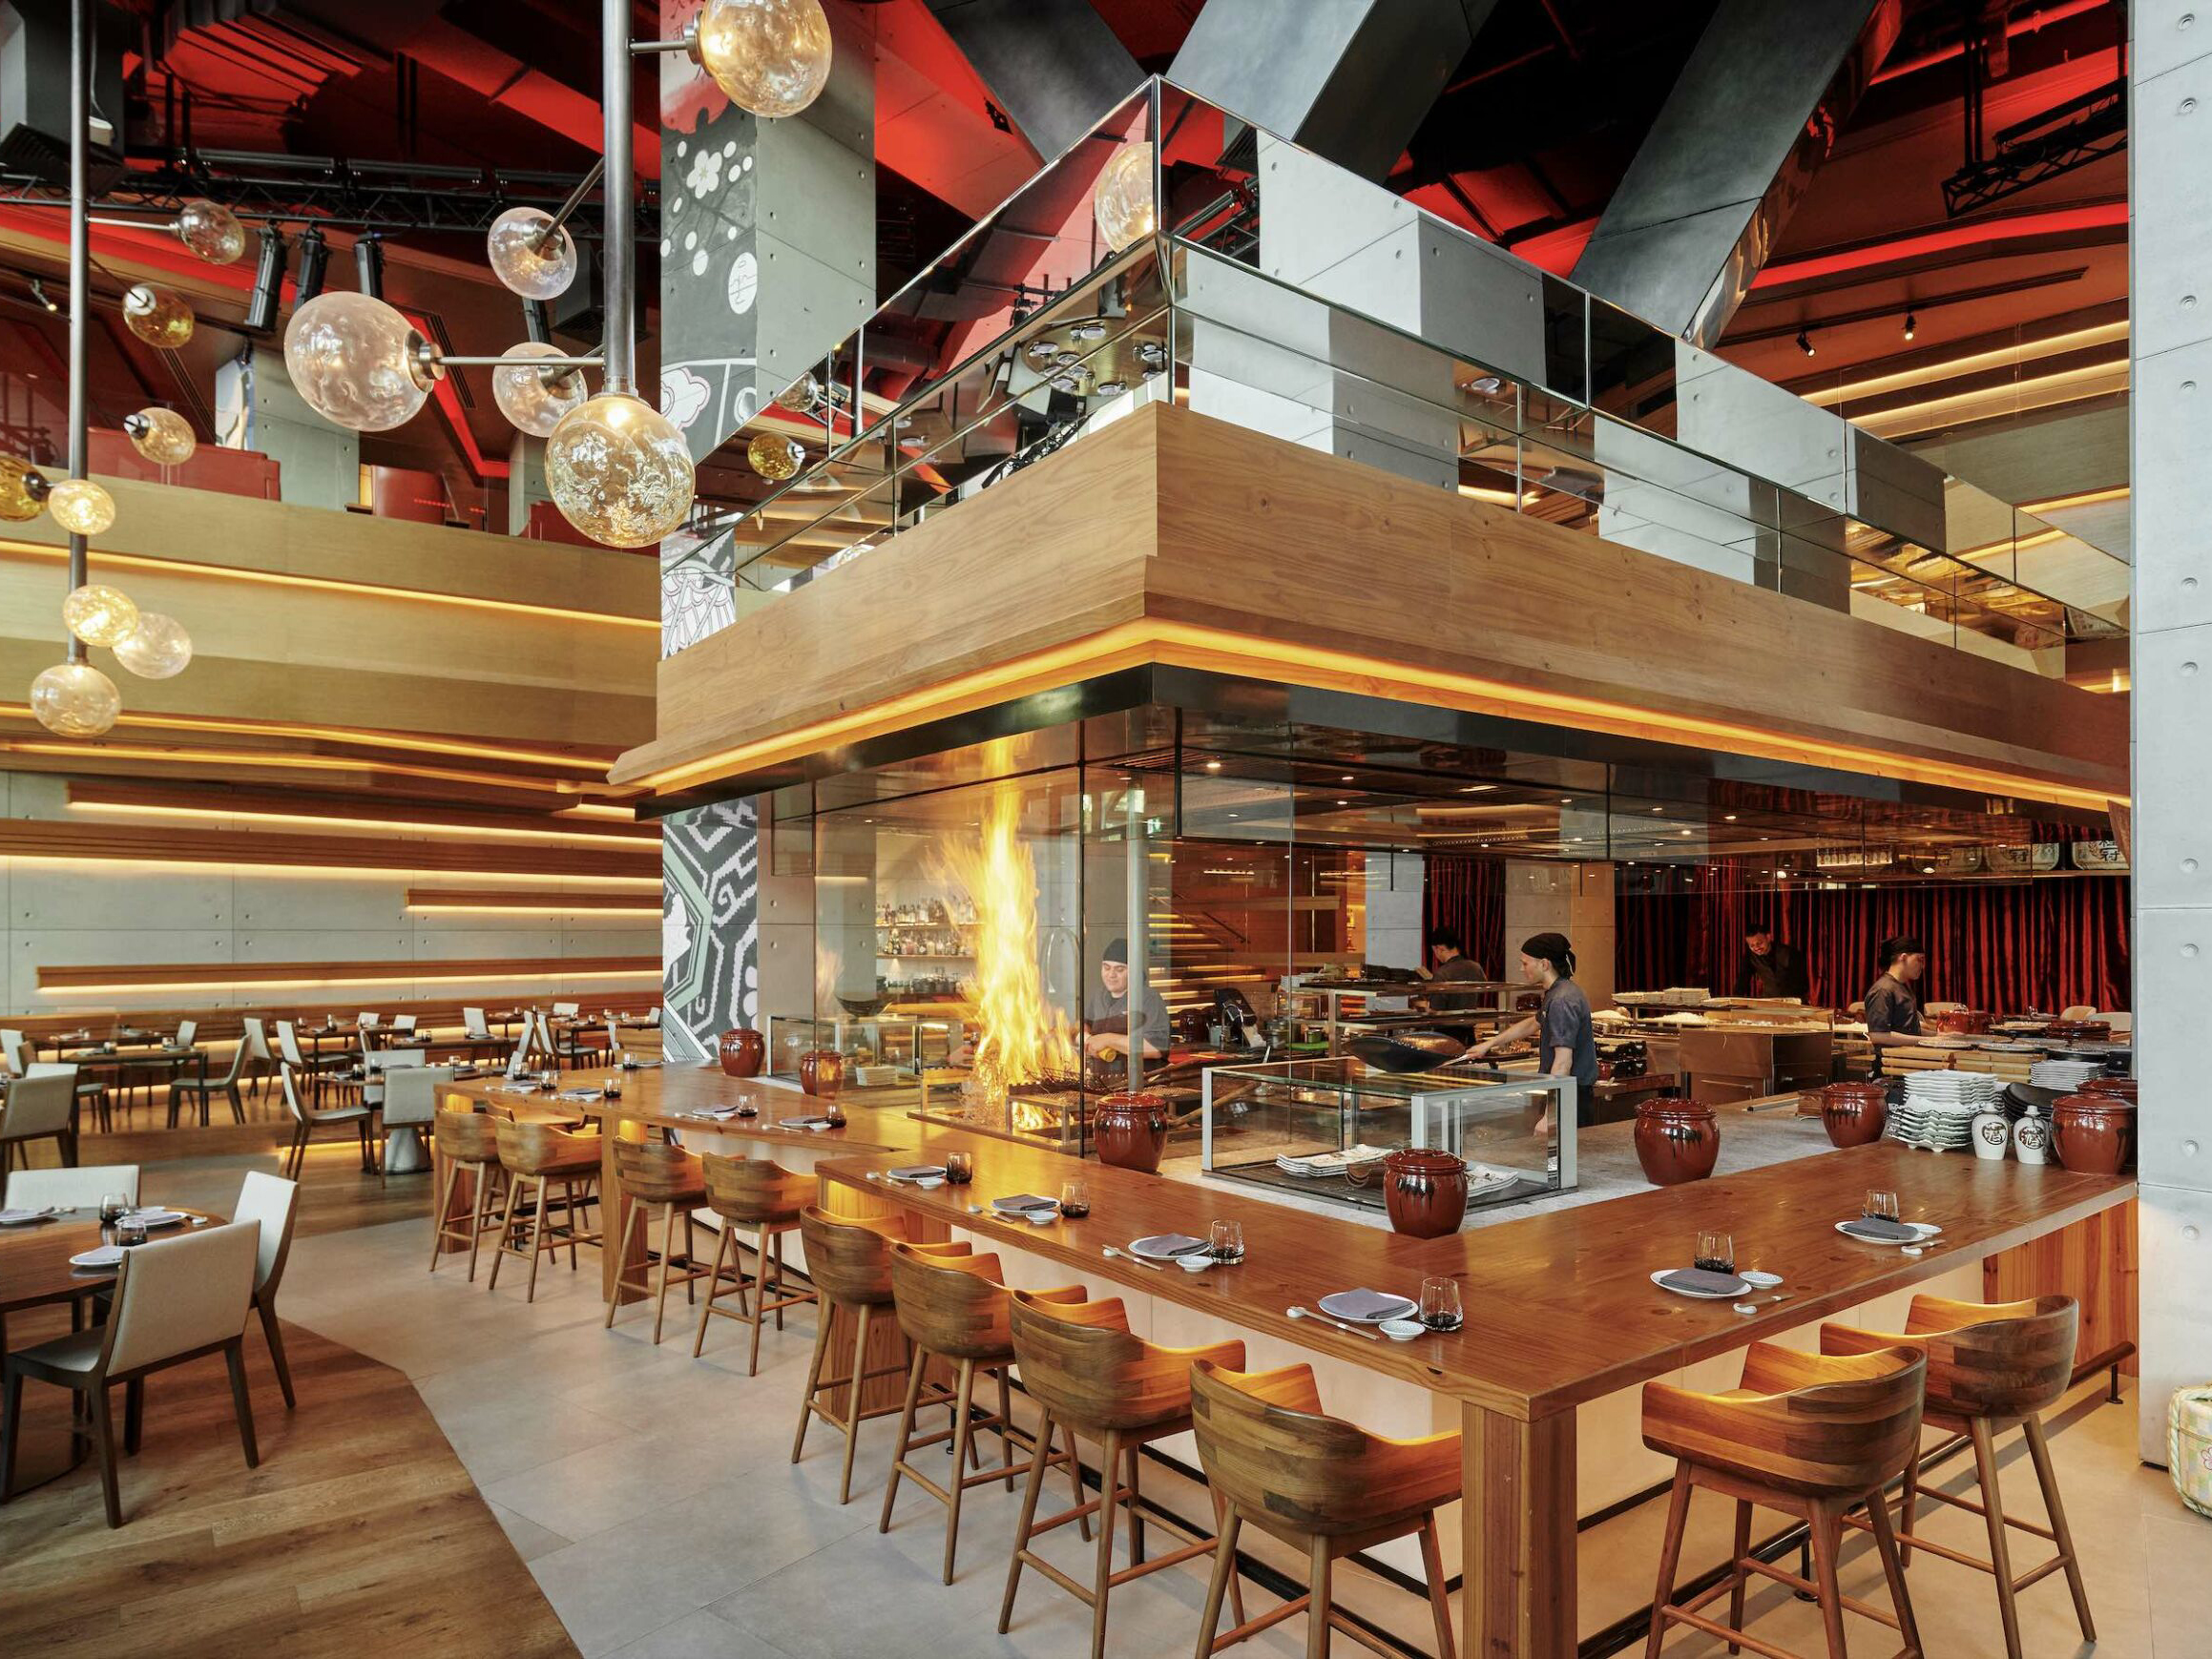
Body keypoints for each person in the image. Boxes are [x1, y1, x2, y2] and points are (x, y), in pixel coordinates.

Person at [1469, 932, 1596, 1133]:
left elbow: (1563, 1062)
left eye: (1525, 963)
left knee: (1568, 1152)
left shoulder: (1562, 1000)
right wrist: (1489, 1044)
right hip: (1566, 1092)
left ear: (1544, 964)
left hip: (1570, 1095)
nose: (1522, 969)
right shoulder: (1559, 991)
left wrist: (1550, 1115)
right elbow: (1533, 1023)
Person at [1083, 937, 1170, 1059]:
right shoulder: (1099, 995)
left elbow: (1156, 1048)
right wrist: (1086, 1038)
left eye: (1119, 970)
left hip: (1140, 1071)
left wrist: (1108, 1039)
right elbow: (1085, 1023)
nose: (1111, 975)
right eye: (1106, 968)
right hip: (1101, 1070)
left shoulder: (1149, 998)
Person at [1862, 936, 1927, 1073]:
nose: (1922, 966)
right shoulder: (1883, 989)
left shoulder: (1903, 987)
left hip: (1905, 1063)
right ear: (1903, 957)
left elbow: (1909, 1029)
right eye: (1919, 959)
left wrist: (1941, 1037)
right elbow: (1878, 1035)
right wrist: (1925, 1040)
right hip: (1890, 1069)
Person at [1421, 926, 1489, 1045]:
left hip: (1447, 1036)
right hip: (1469, 1034)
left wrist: (1423, 1006)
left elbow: (1435, 1009)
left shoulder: (1442, 973)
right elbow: (1483, 991)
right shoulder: (1476, 967)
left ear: (1439, 948)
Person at [1738, 925, 1809, 1001]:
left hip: (1793, 1001)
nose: (1756, 947)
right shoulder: (1750, 957)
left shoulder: (1790, 953)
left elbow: (1802, 982)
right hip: (1769, 1001)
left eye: (1759, 943)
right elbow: (1742, 981)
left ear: (1768, 937)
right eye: (1752, 945)